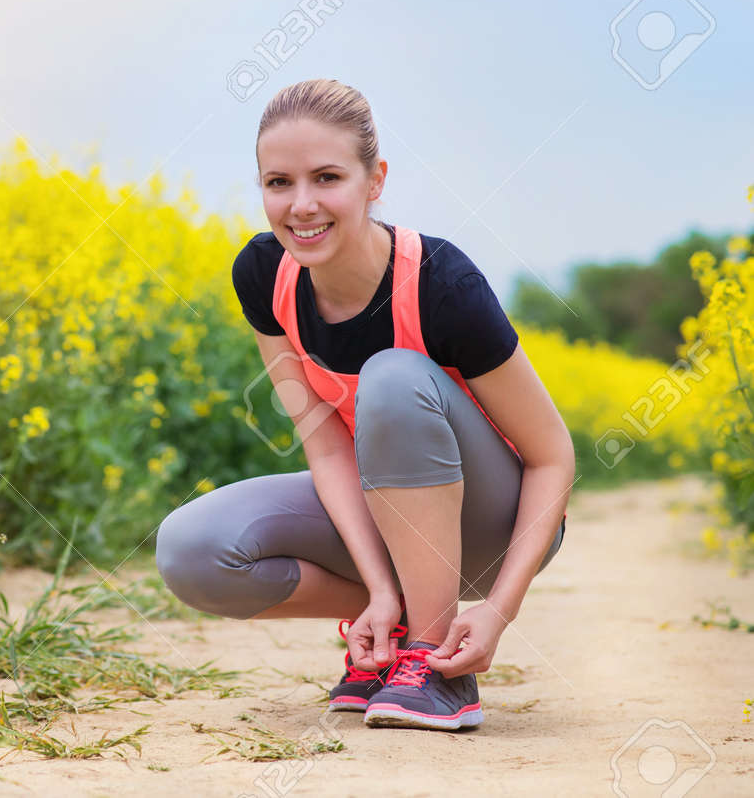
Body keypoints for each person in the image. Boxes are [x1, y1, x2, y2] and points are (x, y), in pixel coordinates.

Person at [154, 78, 575, 732]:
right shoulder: (265, 276)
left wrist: (499, 610)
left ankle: (439, 668)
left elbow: (552, 458)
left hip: (494, 524)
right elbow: (325, 447)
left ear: (374, 180)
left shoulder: (443, 285)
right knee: (194, 549)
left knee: (392, 378)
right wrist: (380, 588)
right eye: (278, 182)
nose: (301, 206)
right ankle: (397, 618)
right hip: (382, 514)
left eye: (327, 178)